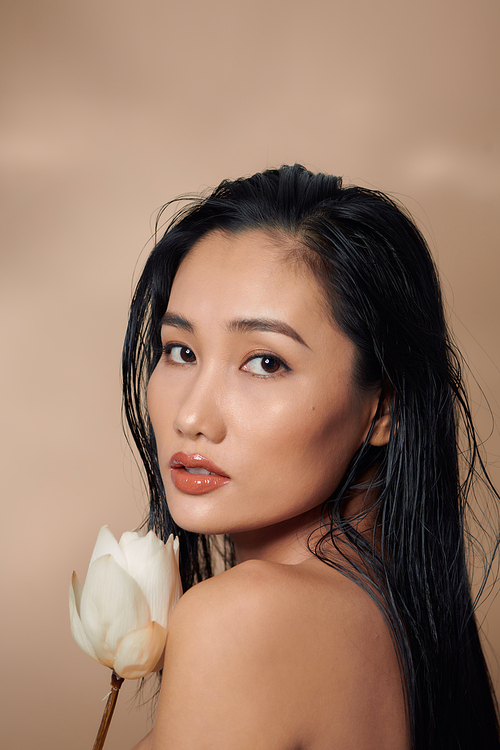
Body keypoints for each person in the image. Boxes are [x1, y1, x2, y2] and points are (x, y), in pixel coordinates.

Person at [124, 164, 500, 749]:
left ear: (382, 411)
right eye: (180, 350)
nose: (191, 417)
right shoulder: (414, 631)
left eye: (266, 362)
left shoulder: (241, 620)